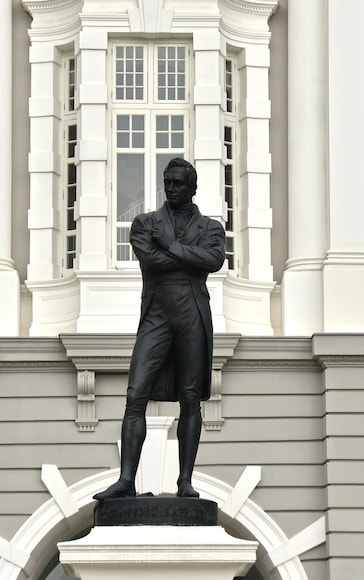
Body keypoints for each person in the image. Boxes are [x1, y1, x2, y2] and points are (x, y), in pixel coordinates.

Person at [94, 158, 225, 500]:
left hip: (192, 314)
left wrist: (169, 247)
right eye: (167, 182)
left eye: (178, 183)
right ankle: (126, 480)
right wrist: (186, 257)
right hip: (157, 313)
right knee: (135, 393)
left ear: (192, 187)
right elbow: (151, 261)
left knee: (190, 398)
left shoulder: (210, 227)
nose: (170, 188)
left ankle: (185, 481)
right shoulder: (145, 222)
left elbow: (213, 261)